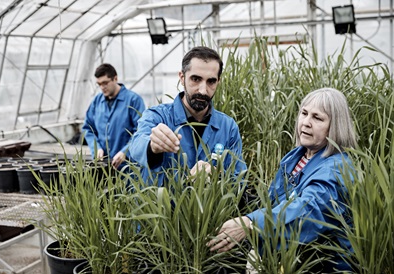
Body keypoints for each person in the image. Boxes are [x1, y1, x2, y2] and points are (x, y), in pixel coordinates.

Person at [208, 88, 357, 272]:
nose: (306, 122)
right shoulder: (296, 157)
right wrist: (220, 182)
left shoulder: (337, 169)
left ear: (335, 126)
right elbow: (273, 203)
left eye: (317, 118)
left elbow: (307, 211)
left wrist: (250, 223)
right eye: (304, 113)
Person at [129, 46, 247, 186]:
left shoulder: (228, 127)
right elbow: (136, 146)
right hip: (163, 206)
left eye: (211, 81)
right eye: (196, 79)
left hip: (209, 208)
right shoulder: (158, 116)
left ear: (218, 82)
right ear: (182, 77)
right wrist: (152, 146)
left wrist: (218, 177)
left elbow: (239, 179)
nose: (203, 91)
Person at [82, 63, 145, 169]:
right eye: (99, 84)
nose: (102, 87)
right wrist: (96, 148)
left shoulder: (134, 101)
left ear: (115, 79)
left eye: (105, 83)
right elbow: (88, 128)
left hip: (129, 167)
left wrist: (125, 152)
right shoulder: (97, 101)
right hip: (103, 167)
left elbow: (141, 131)